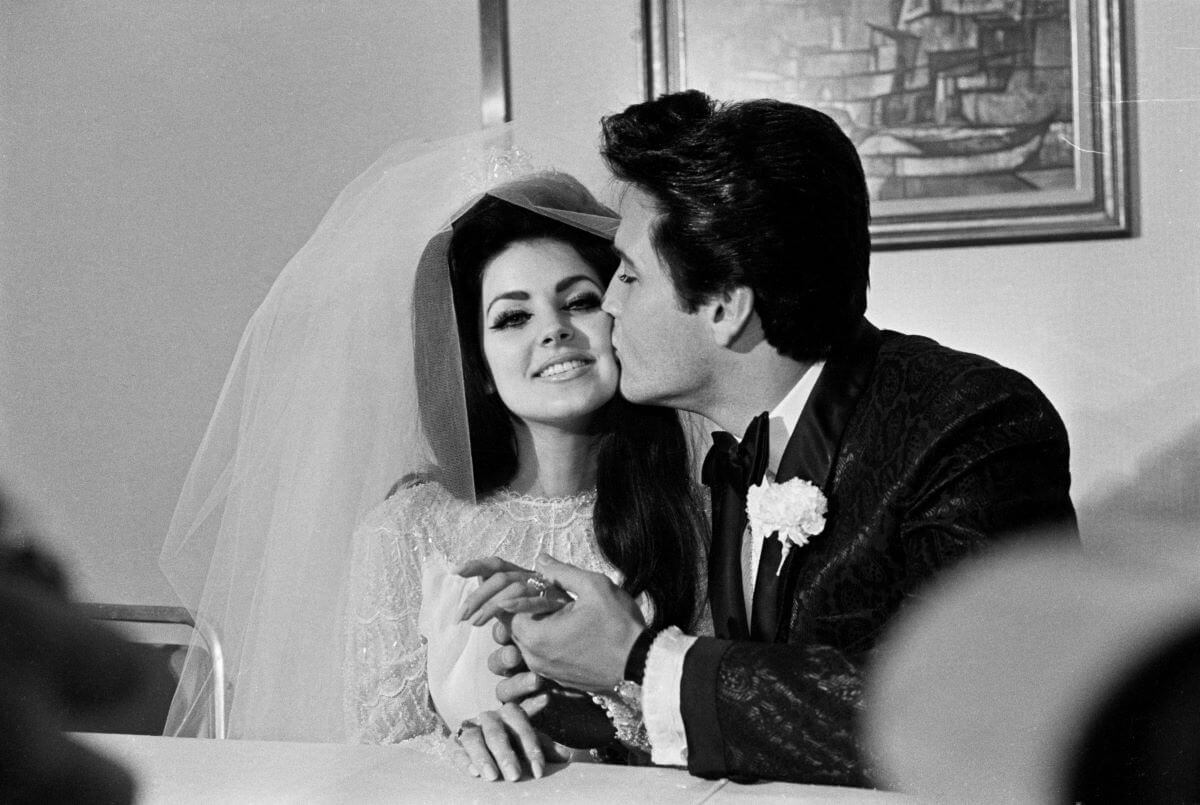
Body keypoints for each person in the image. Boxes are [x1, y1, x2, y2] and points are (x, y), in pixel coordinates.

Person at [463, 90, 1079, 786]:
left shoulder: (969, 421)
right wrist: (573, 704)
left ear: (726, 308)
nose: (607, 305)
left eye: (629, 275)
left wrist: (639, 658)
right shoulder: (733, 450)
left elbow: (973, 707)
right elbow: (778, 716)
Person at [158, 128, 707, 775]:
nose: (555, 330)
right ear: (475, 364)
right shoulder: (409, 529)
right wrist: (466, 743)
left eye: (579, 301)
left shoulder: (694, 514)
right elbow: (379, 749)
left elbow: (724, 724)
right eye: (513, 317)